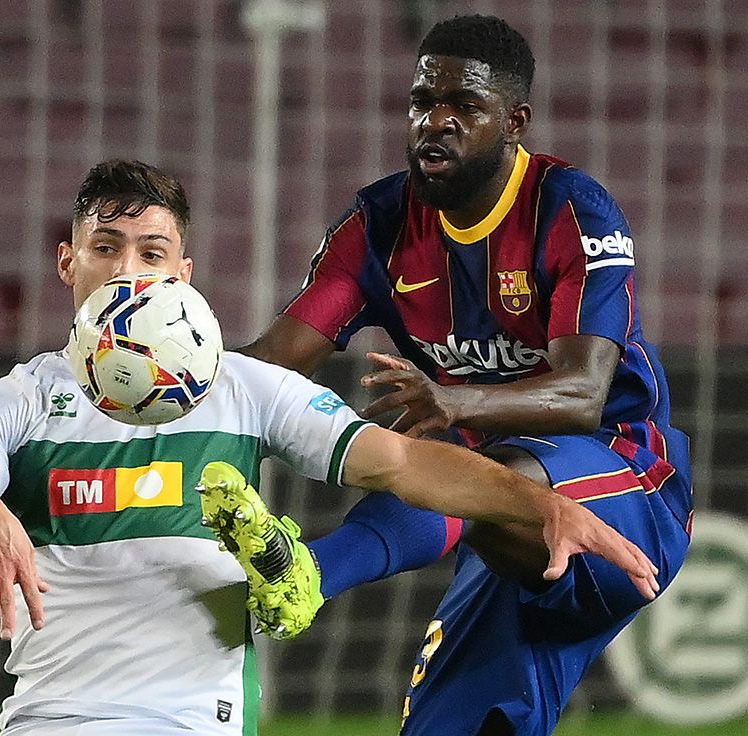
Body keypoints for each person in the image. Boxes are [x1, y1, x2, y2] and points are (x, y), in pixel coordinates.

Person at [0, 159, 658, 736]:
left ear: (183, 274)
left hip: (202, 722)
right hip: (54, 720)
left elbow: (401, 462)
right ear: (68, 262)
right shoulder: (16, 401)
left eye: (151, 250)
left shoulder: (243, 388)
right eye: (105, 247)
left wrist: (537, 504)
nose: (128, 270)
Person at [238, 14, 694, 736]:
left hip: (623, 486)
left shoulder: (570, 208)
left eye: (465, 108)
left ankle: (311, 574)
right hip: (495, 531)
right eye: (422, 102)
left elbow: (583, 394)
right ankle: (302, 580)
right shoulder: (379, 224)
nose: (435, 123)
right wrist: (160, 390)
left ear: (515, 121)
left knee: (447, 459)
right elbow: (267, 365)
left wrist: (453, 400)